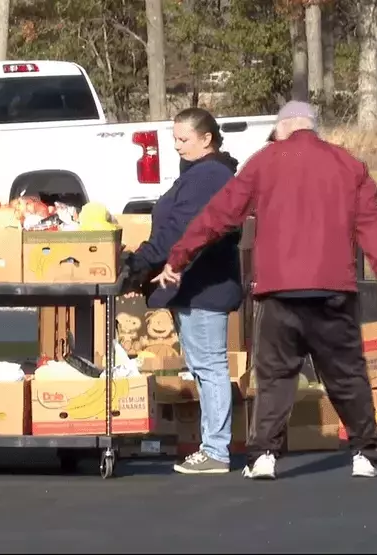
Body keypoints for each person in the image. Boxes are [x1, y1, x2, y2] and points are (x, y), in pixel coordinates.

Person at [152, 101, 377, 480]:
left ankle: (263, 455)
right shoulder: (348, 164)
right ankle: (368, 455)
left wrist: (179, 257)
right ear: (312, 127)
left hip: (278, 290)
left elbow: (219, 215)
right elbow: (370, 223)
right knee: (347, 375)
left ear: (283, 128)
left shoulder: (264, 161)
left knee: (275, 377)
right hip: (333, 289)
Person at [125, 107, 244, 475]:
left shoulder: (209, 175)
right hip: (194, 283)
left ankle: (216, 450)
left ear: (206, 139)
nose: (176, 146)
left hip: (204, 286)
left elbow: (180, 229)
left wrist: (140, 263)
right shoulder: (200, 172)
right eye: (174, 138)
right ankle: (214, 447)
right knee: (204, 366)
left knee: (210, 368)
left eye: (183, 139)